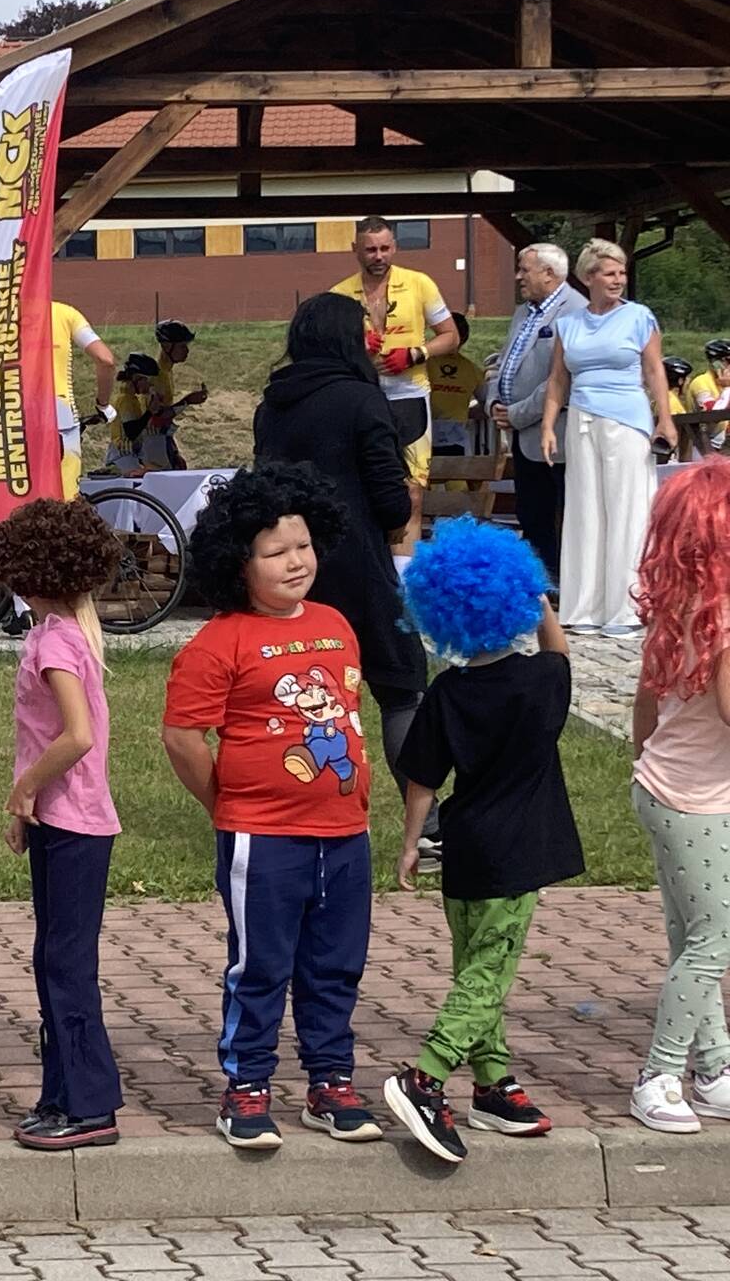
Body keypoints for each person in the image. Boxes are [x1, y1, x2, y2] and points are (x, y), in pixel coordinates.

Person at [160, 464, 381, 1151]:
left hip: (345, 832)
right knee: (260, 965)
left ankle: (330, 1080)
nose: (296, 561)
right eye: (276, 551)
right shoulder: (219, 641)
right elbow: (183, 735)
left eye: (304, 545)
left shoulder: (335, 624)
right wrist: (224, 801)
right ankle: (247, 1086)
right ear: (239, 562)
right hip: (263, 837)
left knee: (336, 963)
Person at [383, 519, 580, 1164]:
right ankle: (425, 1077)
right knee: (489, 976)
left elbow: (422, 777)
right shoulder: (542, 681)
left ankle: (493, 1084)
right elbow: (560, 652)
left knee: (473, 963)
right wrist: (541, 601)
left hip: (463, 848)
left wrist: (411, 843)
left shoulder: (448, 689)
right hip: (515, 853)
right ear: (512, 598)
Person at [253, 294, 425, 821]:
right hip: (359, 566)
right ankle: (427, 822)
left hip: (290, 569)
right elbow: (392, 501)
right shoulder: (361, 400)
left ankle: (304, 807)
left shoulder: (272, 405)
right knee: (401, 686)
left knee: (306, 691)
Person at [0, 498, 127, 1150]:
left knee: (66, 965)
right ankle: (62, 1093)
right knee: (53, 960)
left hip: (75, 826)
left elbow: (75, 736)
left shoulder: (54, 640)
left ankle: (90, 1104)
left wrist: (24, 790)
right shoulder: (66, 631)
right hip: (61, 821)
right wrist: (30, 807)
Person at [628, 461, 730, 1133]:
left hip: (665, 787)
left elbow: (645, 699)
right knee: (714, 939)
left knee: (694, 935)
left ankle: (715, 1069)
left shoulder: (680, 608)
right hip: (699, 800)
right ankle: (659, 1074)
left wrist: (642, 758)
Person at [540, 239, 680, 636]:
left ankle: (627, 607)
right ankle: (584, 607)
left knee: (627, 510)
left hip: (627, 417)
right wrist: (548, 426)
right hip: (582, 418)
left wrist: (665, 418)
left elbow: (654, 370)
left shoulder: (639, 317)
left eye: (622, 273)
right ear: (589, 278)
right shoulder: (569, 324)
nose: (618, 280)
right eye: (610, 273)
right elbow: (558, 380)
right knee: (584, 509)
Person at [332, 216, 462, 564]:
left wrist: (417, 353)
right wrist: (356, 348)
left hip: (409, 395)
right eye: (370, 250)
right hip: (362, 396)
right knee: (362, 486)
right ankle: (370, 570)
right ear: (355, 250)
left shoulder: (419, 283)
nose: (379, 256)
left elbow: (451, 336)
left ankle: (405, 576)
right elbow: (326, 349)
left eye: (385, 248)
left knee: (411, 491)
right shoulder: (339, 295)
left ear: (395, 247)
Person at [493, 244, 574, 584]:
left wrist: (516, 414)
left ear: (549, 273)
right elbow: (504, 361)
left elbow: (561, 379)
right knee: (531, 512)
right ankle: (539, 584)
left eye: (525, 270)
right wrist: (494, 401)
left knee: (558, 514)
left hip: (556, 435)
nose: (518, 277)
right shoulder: (523, 312)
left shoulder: (575, 311)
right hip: (523, 436)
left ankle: (559, 584)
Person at [53, 301, 118, 497]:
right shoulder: (65, 314)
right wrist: (103, 404)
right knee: (66, 500)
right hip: (60, 416)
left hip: (12, 417)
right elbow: (105, 360)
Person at [148, 320, 209, 469]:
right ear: (167, 346)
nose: (187, 351)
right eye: (182, 346)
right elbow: (158, 416)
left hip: (161, 439)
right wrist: (187, 401)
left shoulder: (166, 372)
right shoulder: (157, 376)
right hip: (152, 444)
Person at [428, 316, 487, 466]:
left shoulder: (471, 369)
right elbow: (486, 405)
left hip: (451, 436)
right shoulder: (423, 362)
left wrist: (465, 414)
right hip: (431, 434)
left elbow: (487, 405)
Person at [107, 354, 162, 475]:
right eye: (149, 381)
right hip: (122, 456)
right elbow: (131, 432)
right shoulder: (126, 400)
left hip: (130, 455)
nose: (151, 385)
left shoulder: (132, 399)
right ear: (137, 378)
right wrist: (150, 412)